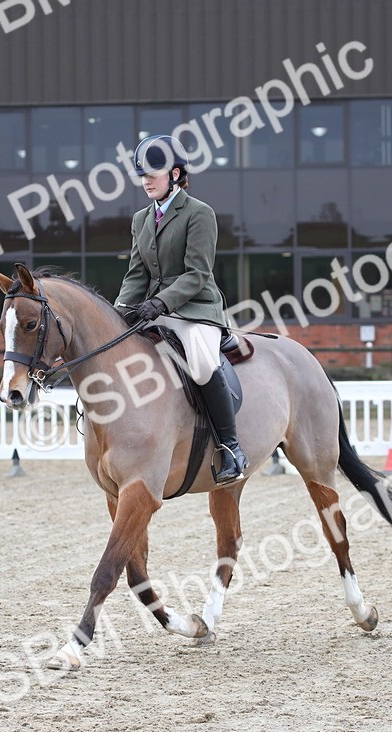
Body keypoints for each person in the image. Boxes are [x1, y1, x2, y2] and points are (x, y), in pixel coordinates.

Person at [114, 134, 248, 484]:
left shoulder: (198, 213)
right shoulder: (140, 219)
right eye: (142, 175)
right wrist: (120, 311)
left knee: (203, 366)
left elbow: (198, 273)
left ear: (175, 174)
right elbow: (136, 274)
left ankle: (232, 448)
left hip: (194, 309)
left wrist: (162, 302)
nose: (146, 181)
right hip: (153, 310)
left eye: (153, 174)